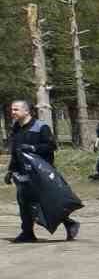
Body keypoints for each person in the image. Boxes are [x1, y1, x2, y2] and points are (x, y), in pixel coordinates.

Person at [7, 100, 79, 242]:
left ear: (27, 111)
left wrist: (33, 148)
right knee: (24, 202)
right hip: (22, 171)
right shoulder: (16, 127)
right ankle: (27, 233)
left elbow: (51, 146)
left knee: (45, 201)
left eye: (16, 109)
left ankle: (69, 223)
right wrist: (11, 170)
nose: (12, 112)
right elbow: (15, 151)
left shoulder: (41, 127)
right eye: (12, 109)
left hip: (39, 172)